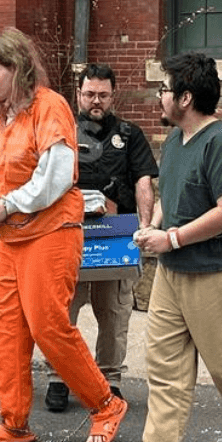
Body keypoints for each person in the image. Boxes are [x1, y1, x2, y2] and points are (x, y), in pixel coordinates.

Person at [0, 28, 127, 442]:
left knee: (48, 326)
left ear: (16, 68)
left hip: (51, 233)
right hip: (13, 235)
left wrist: (7, 205)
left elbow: (56, 177)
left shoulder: (50, 106)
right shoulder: (2, 115)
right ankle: (14, 422)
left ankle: (105, 403)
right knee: (5, 329)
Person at [108, 53, 222, 442]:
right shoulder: (174, 141)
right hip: (172, 273)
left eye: (164, 90)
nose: (160, 98)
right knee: (165, 366)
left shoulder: (221, 141)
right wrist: (152, 227)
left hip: (216, 272)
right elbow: (172, 195)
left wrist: (172, 238)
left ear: (186, 97)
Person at [44, 63, 158, 412]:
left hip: (115, 235)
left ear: (113, 95)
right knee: (62, 311)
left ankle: (110, 380)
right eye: (90, 94)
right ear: (78, 94)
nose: (96, 101)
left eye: (103, 95)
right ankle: (58, 377)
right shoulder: (59, 130)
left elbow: (143, 181)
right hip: (67, 235)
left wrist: (145, 226)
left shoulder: (130, 134)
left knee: (114, 313)